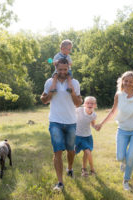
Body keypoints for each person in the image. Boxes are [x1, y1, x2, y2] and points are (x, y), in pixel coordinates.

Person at [41, 58, 83, 191]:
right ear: (56, 69)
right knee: (57, 151)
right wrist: (50, 94)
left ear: (68, 69)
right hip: (55, 121)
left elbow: (78, 103)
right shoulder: (49, 82)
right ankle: (60, 182)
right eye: (60, 70)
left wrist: (72, 92)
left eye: (65, 69)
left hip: (71, 122)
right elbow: (44, 100)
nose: (63, 72)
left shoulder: (75, 82)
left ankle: (69, 168)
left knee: (71, 150)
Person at [75, 96, 98, 177]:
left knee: (87, 152)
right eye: (88, 103)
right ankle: (71, 169)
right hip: (77, 136)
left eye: (92, 103)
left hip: (87, 136)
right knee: (72, 153)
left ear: (95, 105)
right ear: (84, 104)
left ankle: (90, 169)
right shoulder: (79, 110)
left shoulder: (94, 115)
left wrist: (96, 127)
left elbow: (93, 124)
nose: (90, 104)